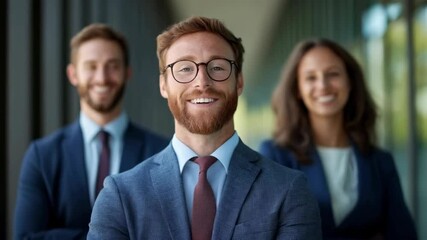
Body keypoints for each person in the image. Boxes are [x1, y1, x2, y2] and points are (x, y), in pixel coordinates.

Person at [87, 16, 321, 240]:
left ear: (238, 81)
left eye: (217, 67)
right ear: (163, 85)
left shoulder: (288, 190)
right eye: (185, 69)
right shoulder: (120, 196)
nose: (202, 82)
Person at [13, 23, 169, 240]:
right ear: (73, 74)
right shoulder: (42, 156)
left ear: (127, 73)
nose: (102, 77)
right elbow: (26, 237)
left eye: (112, 66)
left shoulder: (161, 152)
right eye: (91, 66)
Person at [259, 38, 418, 239]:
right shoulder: (274, 156)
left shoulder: (380, 161)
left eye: (333, 74)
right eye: (311, 78)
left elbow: (403, 234)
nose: (323, 85)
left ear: (350, 82)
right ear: (298, 90)